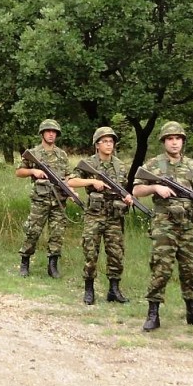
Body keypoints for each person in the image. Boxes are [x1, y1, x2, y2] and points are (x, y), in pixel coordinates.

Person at [133, 121, 193, 332]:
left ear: (182, 141)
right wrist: (155, 187)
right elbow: (136, 190)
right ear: (164, 141)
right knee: (161, 267)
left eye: (178, 139)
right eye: (170, 139)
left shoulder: (191, 165)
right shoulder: (154, 164)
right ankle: (153, 313)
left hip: (189, 224)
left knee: (191, 267)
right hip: (165, 224)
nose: (174, 143)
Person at [67, 127, 133, 305]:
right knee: (90, 252)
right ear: (97, 144)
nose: (108, 144)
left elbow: (123, 188)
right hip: (95, 215)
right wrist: (92, 181)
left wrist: (127, 198)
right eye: (105, 141)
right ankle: (89, 289)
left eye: (111, 141)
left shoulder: (120, 165)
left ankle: (114, 290)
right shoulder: (88, 163)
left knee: (116, 253)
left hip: (114, 216)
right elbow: (71, 181)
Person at [16, 119, 70, 278]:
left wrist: (70, 188)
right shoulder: (34, 153)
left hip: (59, 199)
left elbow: (68, 175)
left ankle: (52, 265)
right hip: (40, 199)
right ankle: (25, 261)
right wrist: (33, 172)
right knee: (32, 231)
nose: (51, 134)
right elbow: (19, 172)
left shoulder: (62, 154)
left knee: (57, 233)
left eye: (54, 132)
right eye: (48, 131)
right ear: (42, 133)